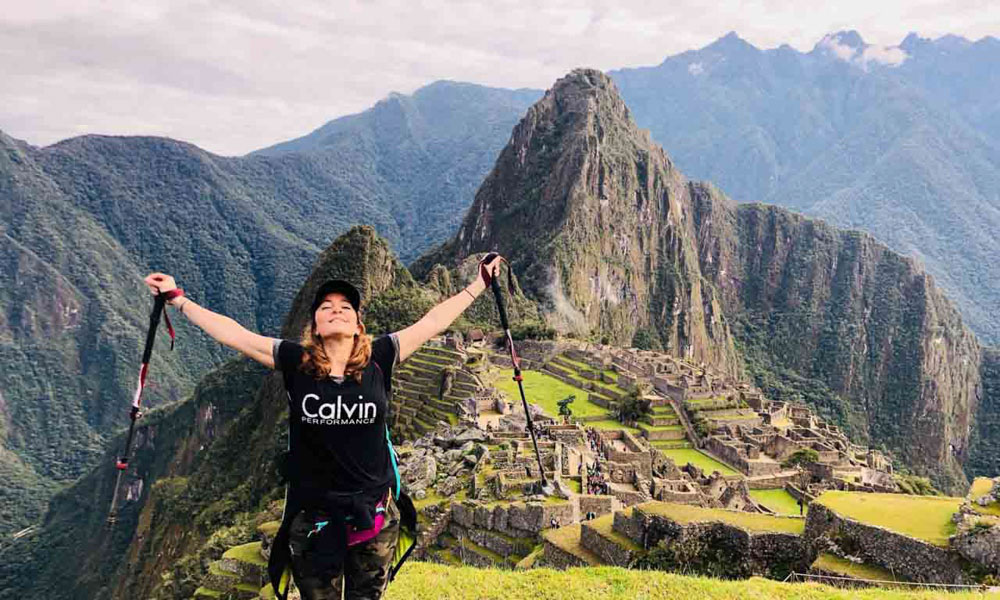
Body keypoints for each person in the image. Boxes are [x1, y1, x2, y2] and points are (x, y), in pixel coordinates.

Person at [142, 253, 503, 600]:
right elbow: (234, 335)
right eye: (326, 307)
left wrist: (479, 284)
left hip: (373, 512)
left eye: (346, 307)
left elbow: (433, 322)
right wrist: (178, 299)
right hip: (314, 517)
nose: (336, 310)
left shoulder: (380, 358)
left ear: (358, 325)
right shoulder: (296, 362)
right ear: (314, 324)